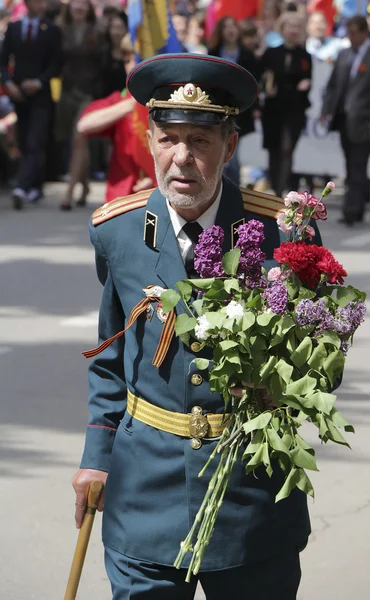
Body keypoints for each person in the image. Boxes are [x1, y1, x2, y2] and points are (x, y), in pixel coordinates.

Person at [72, 53, 318, 600]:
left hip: (250, 493)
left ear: (229, 147)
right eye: (168, 138)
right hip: (144, 489)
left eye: (200, 142)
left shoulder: (282, 234)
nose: (181, 158)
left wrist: (276, 384)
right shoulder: (119, 231)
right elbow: (113, 354)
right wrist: (97, 457)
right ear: (150, 140)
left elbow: (318, 359)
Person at [76, 33, 155, 204]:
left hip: (158, 196)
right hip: (121, 197)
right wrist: (130, 105)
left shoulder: (167, 104)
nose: (132, 66)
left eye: (138, 58)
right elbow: (84, 125)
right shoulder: (119, 100)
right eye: (127, 61)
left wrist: (155, 179)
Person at [0, 0, 62, 209]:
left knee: (36, 140)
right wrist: (9, 84)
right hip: (18, 95)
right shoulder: (14, 27)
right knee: (25, 141)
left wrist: (38, 82)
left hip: (41, 95)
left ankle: (21, 187)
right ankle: (35, 186)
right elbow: (3, 60)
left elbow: (56, 63)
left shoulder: (52, 30)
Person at [321, 15, 370, 226]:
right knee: (351, 164)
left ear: (364, 33)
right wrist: (326, 110)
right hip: (344, 119)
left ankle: (352, 210)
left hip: (364, 122)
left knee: (358, 166)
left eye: (354, 33)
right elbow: (333, 86)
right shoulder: (344, 54)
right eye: (348, 32)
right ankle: (357, 206)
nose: (350, 37)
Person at [56, 0, 103, 210]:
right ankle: (84, 186)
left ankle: (68, 193)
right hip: (67, 92)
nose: (79, 7)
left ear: (89, 8)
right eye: (75, 3)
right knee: (74, 142)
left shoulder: (97, 30)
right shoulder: (60, 29)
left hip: (89, 93)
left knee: (79, 139)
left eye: (83, 4)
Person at [259, 11, 312, 197]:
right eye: (290, 26)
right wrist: (266, 88)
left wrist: (306, 84)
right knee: (274, 150)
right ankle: (275, 189)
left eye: (297, 26)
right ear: (282, 29)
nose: (293, 30)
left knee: (287, 149)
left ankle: (281, 190)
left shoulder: (305, 56)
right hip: (274, 110)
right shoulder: (271, 53)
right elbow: (261, 77)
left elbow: (307, 79)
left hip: (294, 110)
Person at [208, 16, 260, 186]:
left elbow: (255, 83)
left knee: (233, 154)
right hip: (218, 109)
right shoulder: (214, 52)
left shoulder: (247, 54)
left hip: (240, 110)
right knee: (221, 152)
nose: (230, 30)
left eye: (233, 26)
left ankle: (235, 191)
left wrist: (256, 107)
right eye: (226, 27)